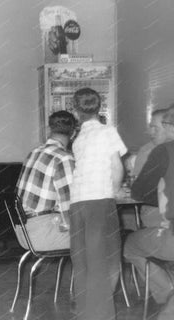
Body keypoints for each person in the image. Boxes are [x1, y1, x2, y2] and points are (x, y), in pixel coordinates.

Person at [69, 87, 127, 320]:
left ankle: (84, 312)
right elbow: (117, 166)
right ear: (100, 107)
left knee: (83, 262)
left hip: (77, 205)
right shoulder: (107, 131)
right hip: (99, 202)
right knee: (106, 260)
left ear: (75, 111)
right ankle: (102, 316)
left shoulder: (77, 140)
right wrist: (115, 190)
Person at [124, 107, 174, 320]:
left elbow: (140, 190)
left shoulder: (164, 151)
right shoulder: (151, 149)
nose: (151, 131)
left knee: (129, 246)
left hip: (168, 230)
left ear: (169, 126)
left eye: (157, 126)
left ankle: (165, 294)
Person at [15, 110, 76, 251]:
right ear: (73, 134)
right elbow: (70, 208)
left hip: (23, 233)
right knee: (100, 235)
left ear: (49, 130)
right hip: (42, 235)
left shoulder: (34, 153)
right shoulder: (64, 158)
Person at [128, 108, 170, 228]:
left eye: (155, 128)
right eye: (150, 127)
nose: (150, 132)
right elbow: (137, 187)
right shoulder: (146, 151)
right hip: (154, 209)